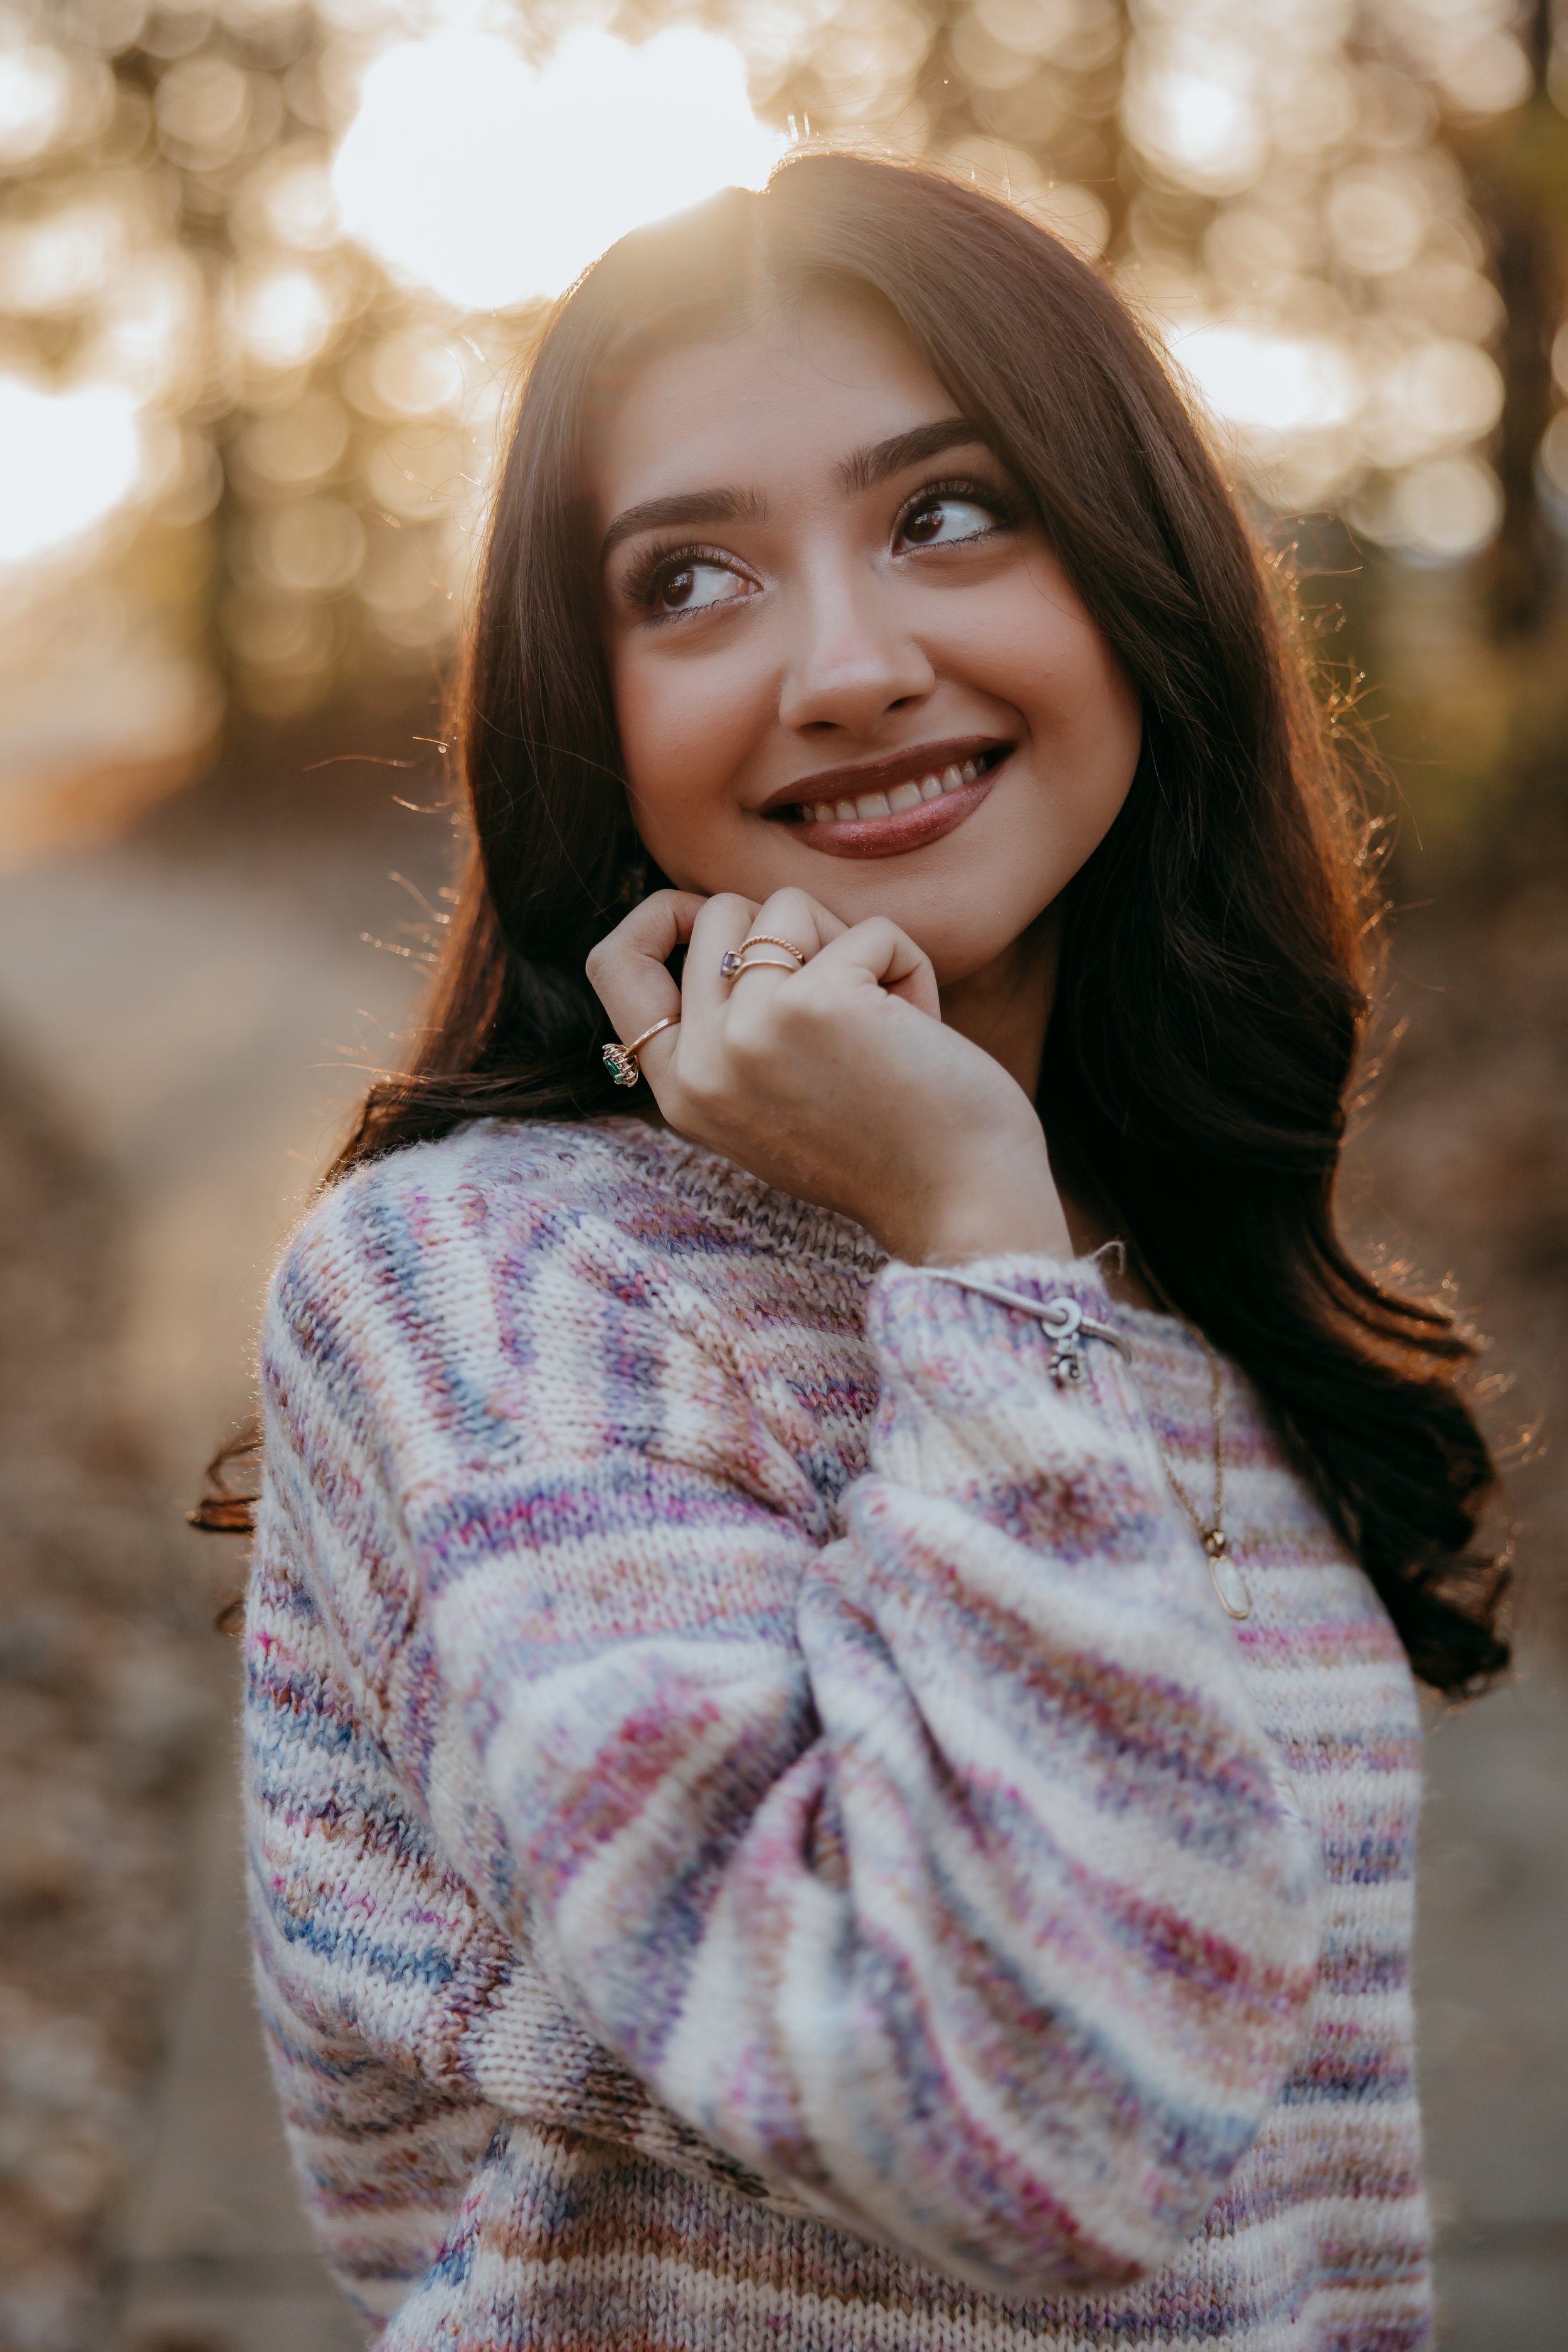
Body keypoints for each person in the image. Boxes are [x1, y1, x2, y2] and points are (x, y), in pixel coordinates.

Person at [243, 152, 1508, 2352]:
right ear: (590, 705)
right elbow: (1025, 2132)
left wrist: (994, 1235)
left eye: (944, 515)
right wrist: (968, 1245)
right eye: (692, 578)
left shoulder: (1160, 1279)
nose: (844, 666)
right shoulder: (493, 1291)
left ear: (1142, 572)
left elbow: (1304, 2228)